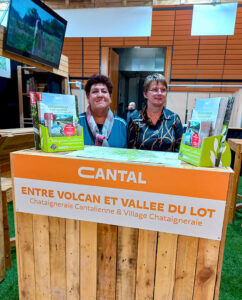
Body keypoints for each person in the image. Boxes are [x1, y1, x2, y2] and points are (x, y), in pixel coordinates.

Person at [127, 73, 183, 152]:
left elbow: (180, 150)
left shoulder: (174, 118)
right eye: (155, 90)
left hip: (168, 164)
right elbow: (130, 152)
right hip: (142, 164)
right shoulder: (135, 120)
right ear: (145, 94)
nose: (159, 93)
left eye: (163, 90)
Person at [79, 74, 127, 147]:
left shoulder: (122, 125)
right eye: (95, 91)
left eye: (104, 91)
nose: (100, 95)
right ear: (88, 97)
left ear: (110, 97)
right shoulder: (77, 123)